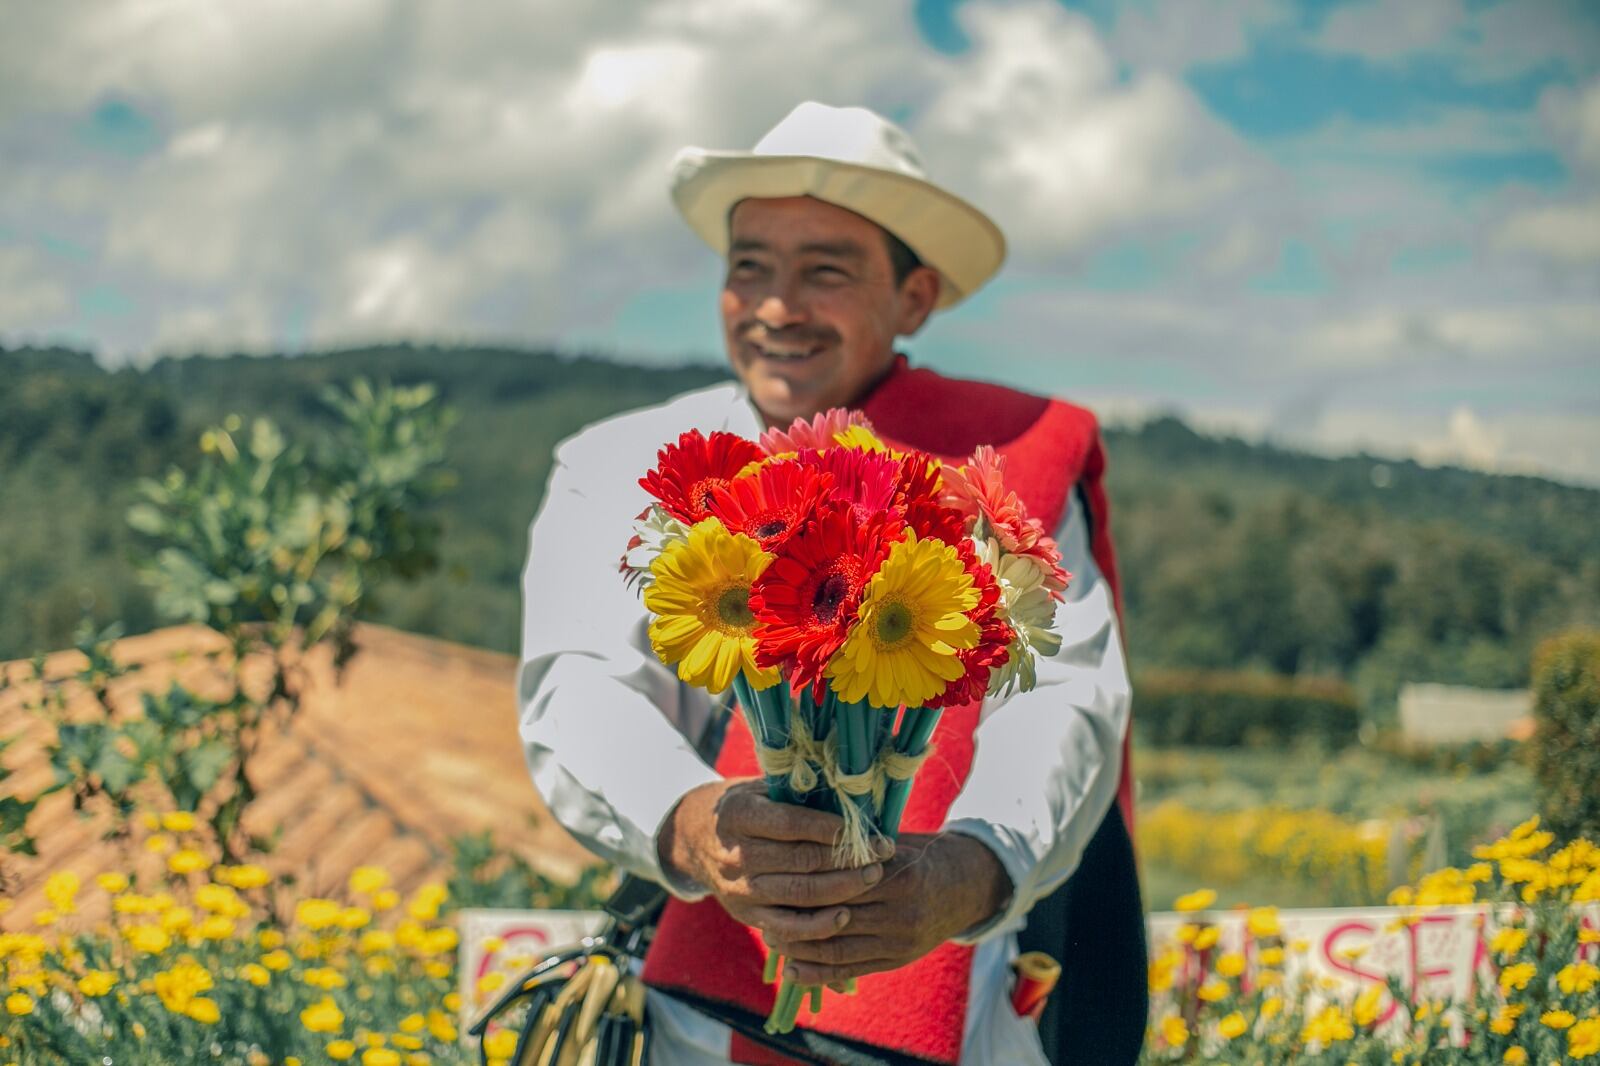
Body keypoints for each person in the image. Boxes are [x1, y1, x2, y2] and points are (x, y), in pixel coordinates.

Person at [519, 102, 1146, 1065]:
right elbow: (579, 688)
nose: (777, 306)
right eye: (750, 267)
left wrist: (970, 868)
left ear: (915, 298)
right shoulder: (616, 465)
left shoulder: (1003, 466)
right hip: (695, 1018)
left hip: (958, 1009)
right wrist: (694, 825)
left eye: (826, 270)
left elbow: (1066, 698)